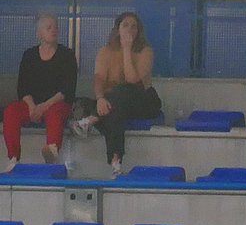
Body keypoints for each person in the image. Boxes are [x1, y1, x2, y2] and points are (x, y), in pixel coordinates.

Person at [69, 11, 161, 177]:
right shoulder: (106, 51)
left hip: (143, 99)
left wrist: (127, 49)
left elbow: (132, 80)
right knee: (111, 108)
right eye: (125, 25)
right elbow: (99, 79)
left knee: (121, 91)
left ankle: (91, 120)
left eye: (134, 26)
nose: (130, 29)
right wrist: (100, 99)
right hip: (115, 102)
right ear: (117, 29)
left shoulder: (146, 51)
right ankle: (116, 162)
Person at [3, 14, 77, 171]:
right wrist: (31, 107)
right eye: (49, 28)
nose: (54, 30)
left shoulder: (67, 55)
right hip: (32, 104)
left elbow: (66, 90)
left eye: (56, 27)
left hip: (56, 103)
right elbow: (22, 87)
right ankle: (13, 157)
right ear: (39, 34)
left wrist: (43, 106)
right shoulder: (29, 55)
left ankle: (52, 150)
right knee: (11, 111)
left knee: (55, 113)